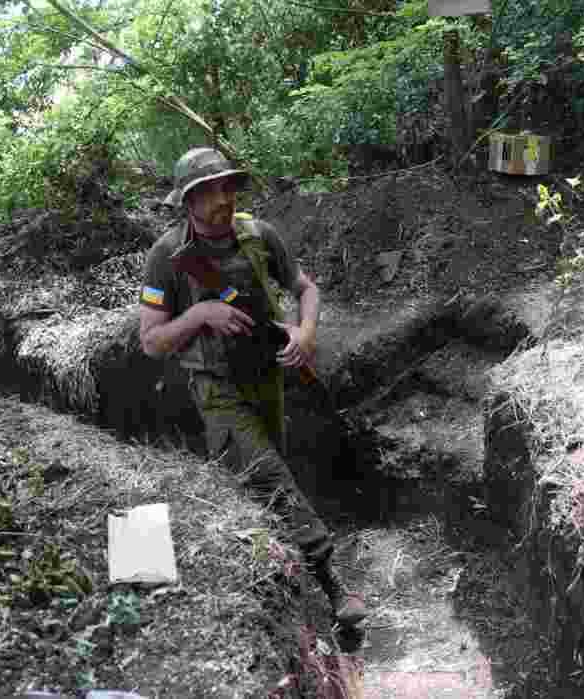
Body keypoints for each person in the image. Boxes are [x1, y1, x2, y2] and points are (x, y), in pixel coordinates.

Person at [138, 147, 367, 626]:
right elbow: (151, 342)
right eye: (207, 192)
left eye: (227, 187)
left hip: (268, 379)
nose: (222, 198)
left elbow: (306, 289)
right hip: (216, 388)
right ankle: (331, 583)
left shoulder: (260, 235)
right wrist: (200, 314)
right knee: (269, 477)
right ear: (187, 201)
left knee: (263, 478)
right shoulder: (167, 257)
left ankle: (274, 562)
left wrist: (305, 334)